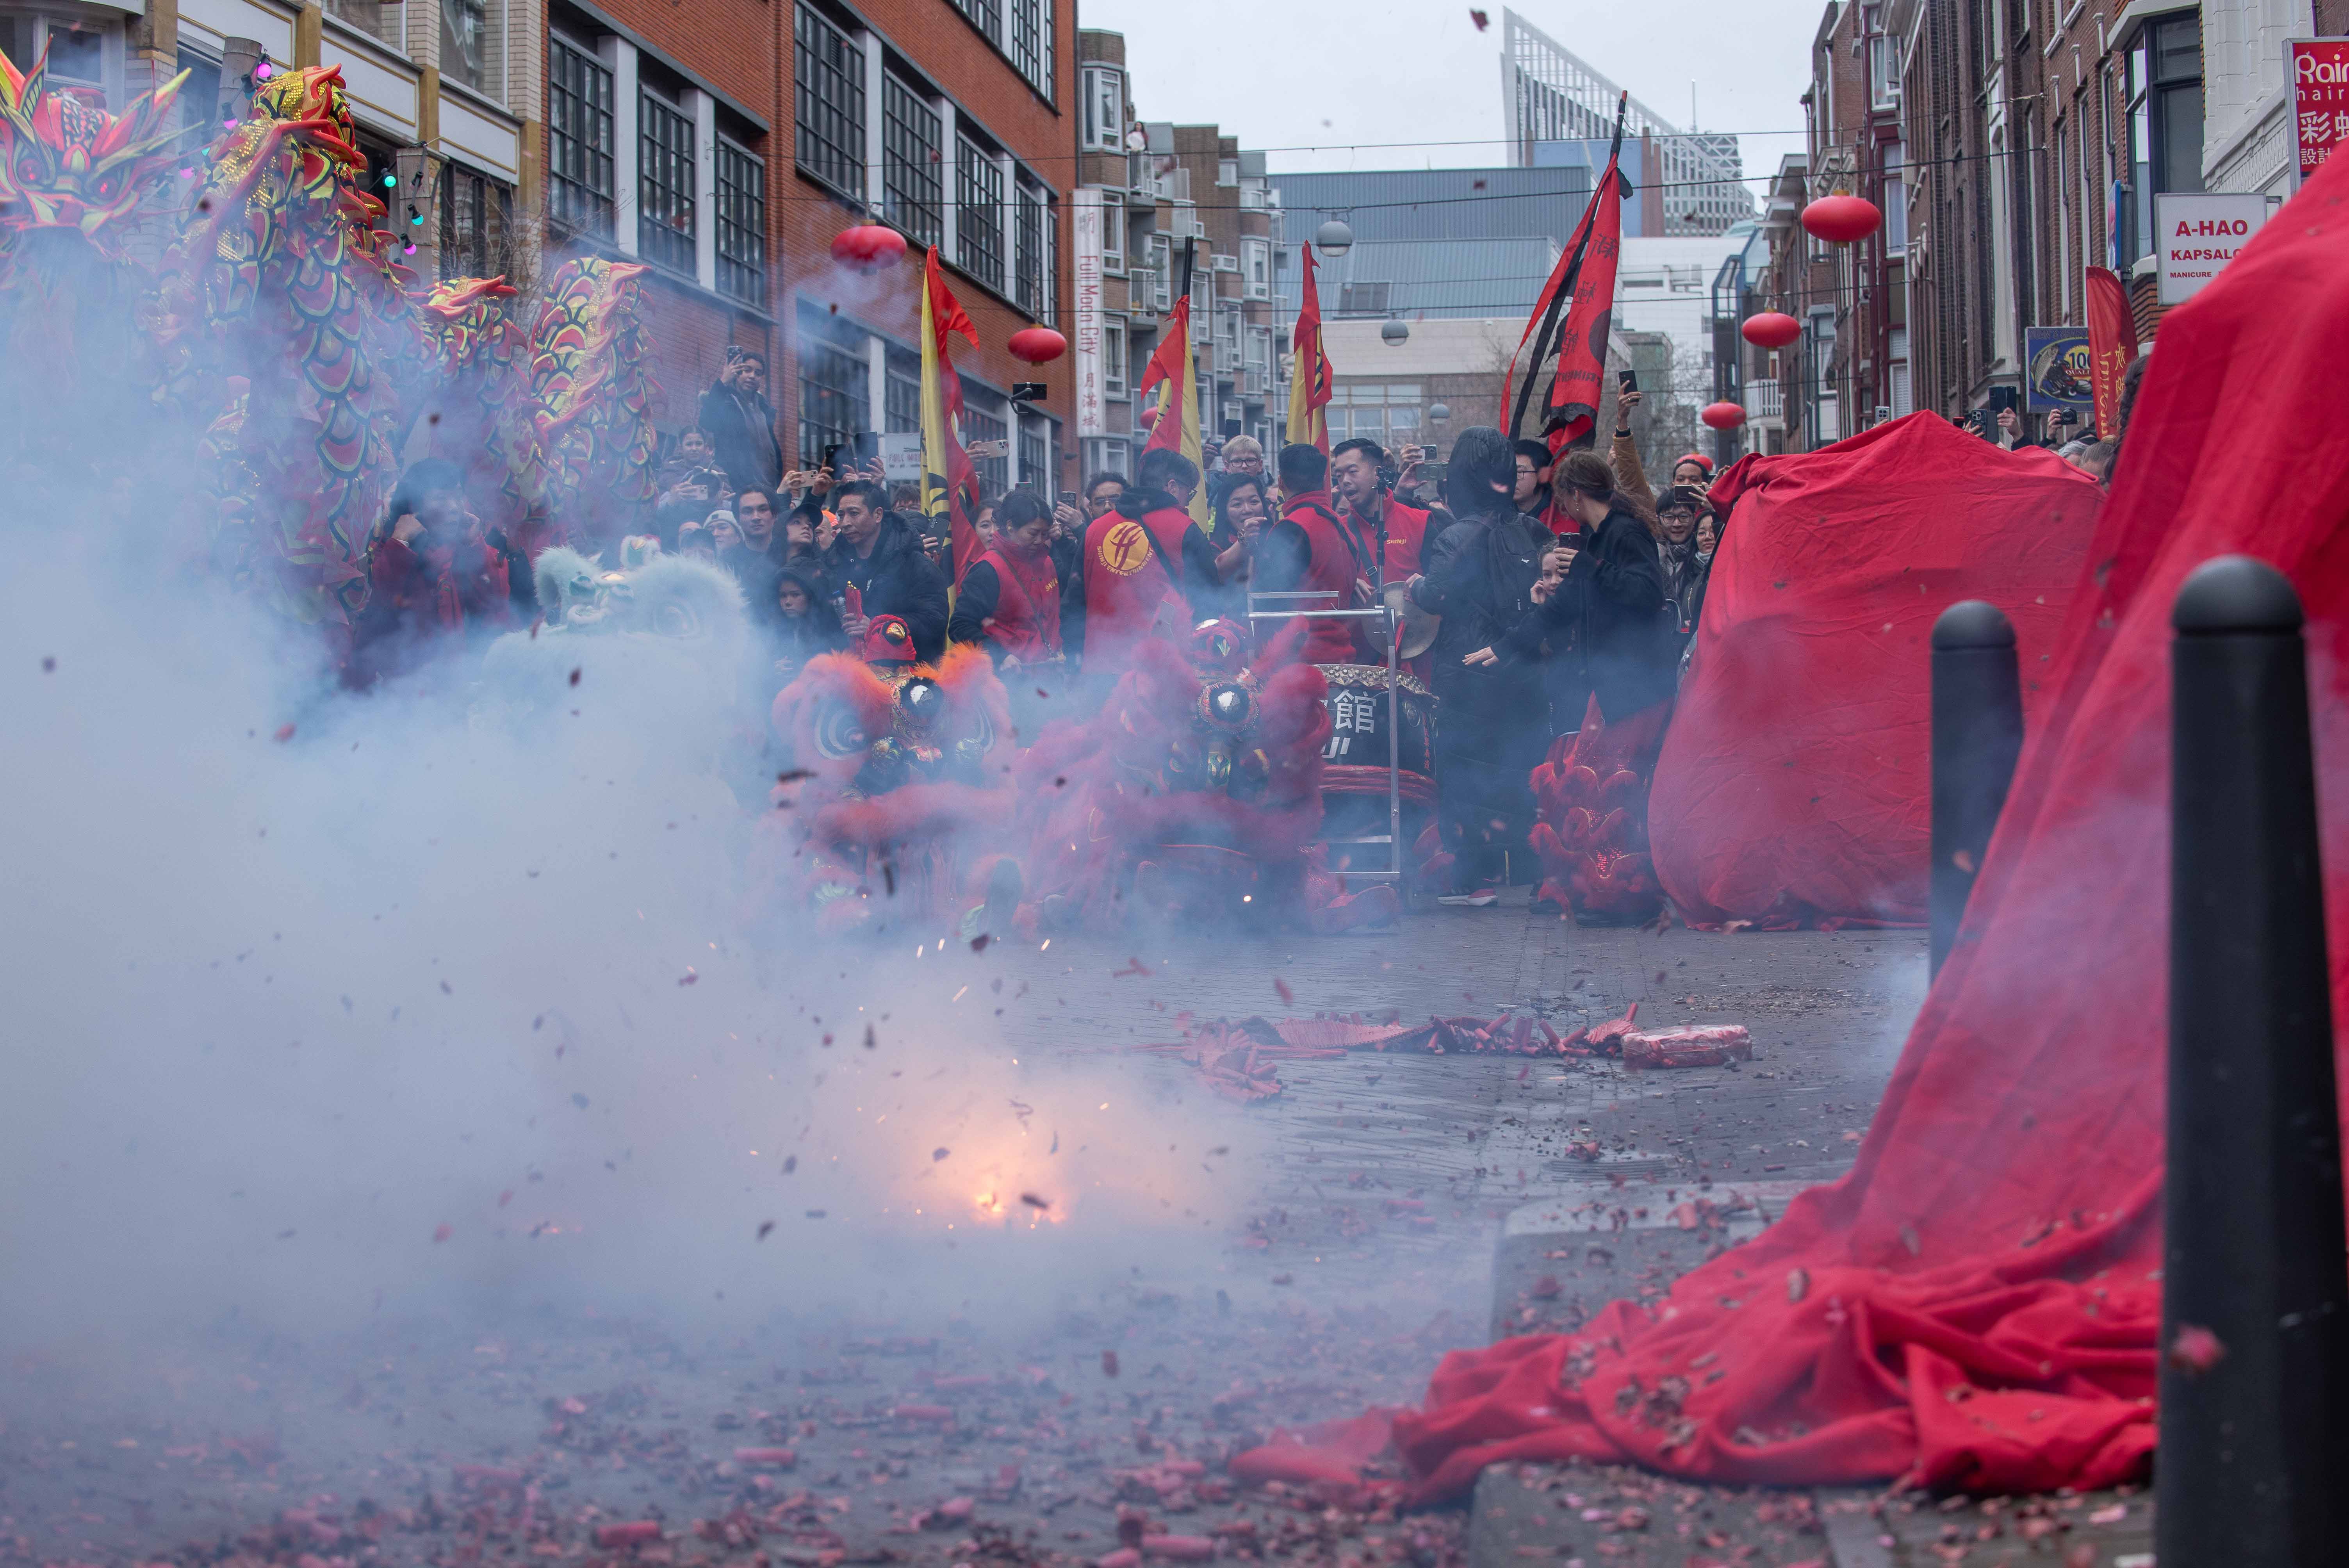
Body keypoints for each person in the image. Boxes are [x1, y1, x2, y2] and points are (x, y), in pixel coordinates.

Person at [1409, 428, 1552, 906]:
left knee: (1463, 774)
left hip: (1466, 670)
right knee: (1527, 769)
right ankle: (1539, 873)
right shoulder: (1535, 531)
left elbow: (1434, 594)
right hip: (1525, 665)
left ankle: (1472, 877)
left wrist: (1412, 587)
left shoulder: (1454, 534)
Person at [1480, 451, 1674, 739]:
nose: (1564, 508)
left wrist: (1593, 569)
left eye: (1564, 499)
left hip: (1640, 685)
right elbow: (1560, 607)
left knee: (1622, 778)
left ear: (1577, 495)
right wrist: (1507, 645)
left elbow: (1649, 593)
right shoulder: (1594, 537)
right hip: (1610, 682)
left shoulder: (1625, 532)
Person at [1062, 447, 1216, 685]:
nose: (1189, 499)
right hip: (1161, 674)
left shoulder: (1095, 530)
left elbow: (1074, 603)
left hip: (1100, 673)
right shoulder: (1185, 528)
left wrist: (1075, 664)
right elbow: (1208, 604)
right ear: (1174, 488)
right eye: (1190, 493)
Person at [350, 458, 513, 681]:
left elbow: (496, 600)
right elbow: (383, 600)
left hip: (456, 679)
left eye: (457, 496)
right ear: (413, 506)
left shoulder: (462, 546)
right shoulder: (388, 548)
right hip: (404, 688)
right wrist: (400, 543)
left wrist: (476, 546)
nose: (455, 508)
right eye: (441, 498)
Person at [1256, 442, 1374, 664]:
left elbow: (1269, 604)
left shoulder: (1291, 528)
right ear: (1323, 482)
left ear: (1281, 482)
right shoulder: (1343, 528)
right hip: (1342, 659)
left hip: (1298, 664)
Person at [824, 478, 949, 663]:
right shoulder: (830, 563)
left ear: (878, 515)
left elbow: (933, 623)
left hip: (904, 678)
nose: (845, 523)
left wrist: (878, 626)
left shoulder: (915, 564)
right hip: (847, 678)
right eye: (841, 515)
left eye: (854, 513)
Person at [949, 490, 1062, 667]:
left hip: (1049, 674)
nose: (1040, 541)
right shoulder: (988, 569)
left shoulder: (1047, 563)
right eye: (1033, 533)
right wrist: (999, 656)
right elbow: (960, 626)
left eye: (1045, 534)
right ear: (1010, 527)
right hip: (1009, 679)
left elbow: (1054, 617)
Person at [1330, 437, 1436, 589]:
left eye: (1353, 472)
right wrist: (1347, 586)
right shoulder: (1337, 531)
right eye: (1339, 475)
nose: (1345, 481)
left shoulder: (1419, 522)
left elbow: (1442, 586)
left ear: (1378, 473)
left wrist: (1424, 586)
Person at [697, 347, 783, 493]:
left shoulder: (763, 407)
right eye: (747, 370)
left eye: (758, 373)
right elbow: (706, 421)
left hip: (768, 487)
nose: (752, 376)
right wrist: (724, 381)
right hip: (740, 488)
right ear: (737, 373)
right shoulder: (726, 402)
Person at [764, 565, 850, 702]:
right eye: (783, 596)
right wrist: (776, 671)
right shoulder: (777, 631)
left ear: (810, 596)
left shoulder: (831, 631)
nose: (788, 602)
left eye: (795, 595)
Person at [1205, 472, 1271, 621]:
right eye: (1237, 504)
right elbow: (1216, 574)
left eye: (1254, 502)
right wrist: (1245, 541)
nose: (1247, 510)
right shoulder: (1214, 547)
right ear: (1225, 511)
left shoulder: (1276, 539)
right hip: (1231, 629)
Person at [1652, 486, 1706, 638]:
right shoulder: (1651, 557)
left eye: (1684, 517)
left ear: (1694, 519)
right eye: (1669, 517)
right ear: (1659, 519)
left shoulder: (1703, 556)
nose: (1677, 524)